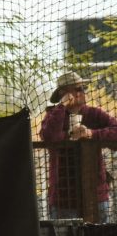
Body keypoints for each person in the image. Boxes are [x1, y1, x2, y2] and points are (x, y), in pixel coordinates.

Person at [40, 71, 117, 223]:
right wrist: (62, 106)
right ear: (63, 92)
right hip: (63, 200)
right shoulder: (53, 115)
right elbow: (49, 137)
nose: (83, 91)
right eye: (78, 88)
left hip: (95, 197)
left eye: (83, 88)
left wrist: (91, 134)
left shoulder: (94, 114)